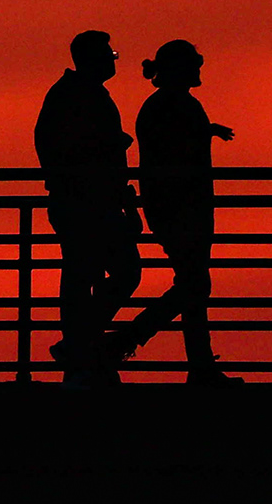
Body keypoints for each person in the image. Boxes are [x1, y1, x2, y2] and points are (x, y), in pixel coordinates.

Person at [117, 38, 237, 382]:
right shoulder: (174, 105)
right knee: (195, 284)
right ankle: (131, 340)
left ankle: (198, 364)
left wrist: (206, 131)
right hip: (182, 209)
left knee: (193, 283)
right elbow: (175, 152)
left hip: (178, 207)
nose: (199, 70)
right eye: (194, 65)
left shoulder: (165, 105)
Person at [32, 28, 141, 382]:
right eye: (110, 54)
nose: (113, 60)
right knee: (110, 272)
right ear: (91, 59)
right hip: (86, 201)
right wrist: (109, 147)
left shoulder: (73, 94)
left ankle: (81, 344)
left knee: (86, 274)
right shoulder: (75, 95)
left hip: (88, 200)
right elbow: (63, 148)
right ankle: (81, 345)